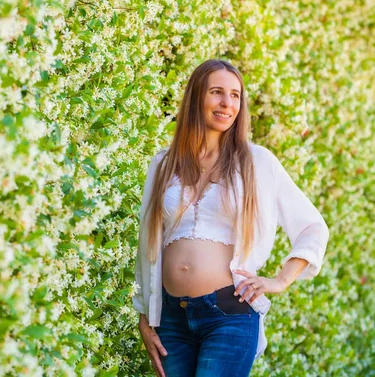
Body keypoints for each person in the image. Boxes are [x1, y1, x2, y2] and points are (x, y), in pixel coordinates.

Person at [132, 59, 330, 377]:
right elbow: (147, 243)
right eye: (217, 92)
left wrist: (280, 280)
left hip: (228, 315)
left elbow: (312, 226)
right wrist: (145, 316)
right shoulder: (163, 163)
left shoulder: (256, 162)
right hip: (171, 321)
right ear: (197, 96)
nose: (228, 103)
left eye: (236, 95)